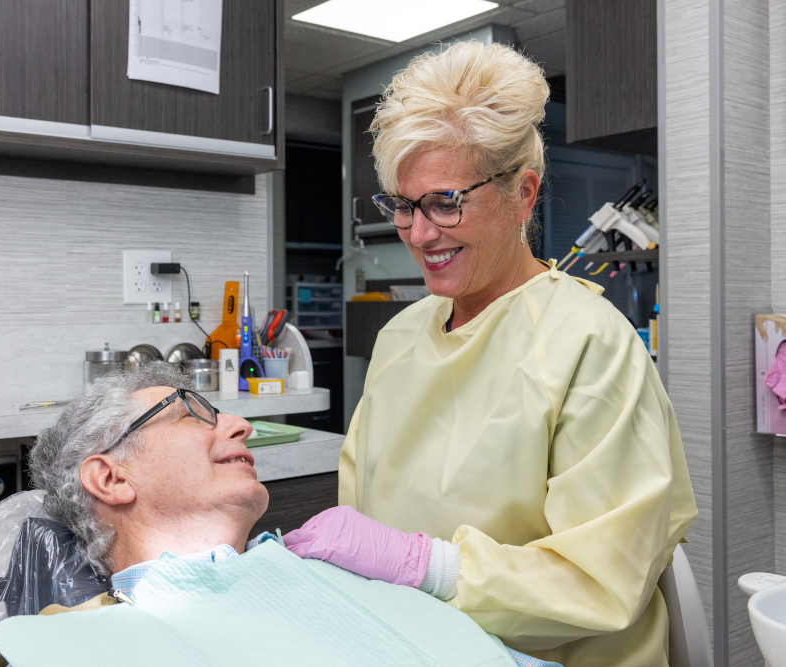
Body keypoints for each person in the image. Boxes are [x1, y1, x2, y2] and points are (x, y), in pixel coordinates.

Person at [283, 41, 697, 667]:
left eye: (446, 202)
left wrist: (431, 567)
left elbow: (603, 582)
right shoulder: (401, 337)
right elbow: (359, 514)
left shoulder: (588, 344)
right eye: (403, 204)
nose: (420, 234)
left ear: (523, 194)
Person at [0, 364, 557, 667]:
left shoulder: (334, 578)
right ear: (110, 477)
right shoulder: (70, 647)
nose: (239, 426)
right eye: (191, 414)